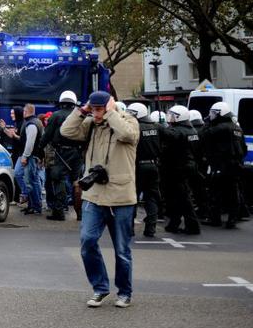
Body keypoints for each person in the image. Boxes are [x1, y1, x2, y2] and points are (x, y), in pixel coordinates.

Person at [61, 91, 139, 308]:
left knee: (122, 250)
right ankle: (100, 288)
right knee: (87, 241)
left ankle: (124, 292)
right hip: (94, 195)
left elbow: (127, 135)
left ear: (110, 106)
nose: (95, 113)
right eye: (92, 108)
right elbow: (66, 130)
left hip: (121, 197)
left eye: (98, 108)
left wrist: (111, 112)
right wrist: (82, 110)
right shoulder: (91, 125)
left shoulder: (128, 121)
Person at [200, 102, 246, 229]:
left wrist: (207, 123)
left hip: (221, 165)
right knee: (233, 192)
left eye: (214, 113)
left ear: (221, 114)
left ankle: (215, 219)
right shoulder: (237, 128)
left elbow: (203, 136)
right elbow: (244, 148)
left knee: (215, 192)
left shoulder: (220, 128)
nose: (211, 115)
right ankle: (232, 219)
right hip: (235, 165)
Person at [40, 91, 84, 221]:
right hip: (78, 153)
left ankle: (59, 212)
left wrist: (39, 149)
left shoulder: (56, 116)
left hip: (61, 152)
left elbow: (47, 135)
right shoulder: (80, 115)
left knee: (58, 179)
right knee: (77, 182)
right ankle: (80, 214)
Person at [159, 105, 202, 235]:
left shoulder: (178, 131)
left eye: (171, 115)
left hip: (178, 168)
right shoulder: (192, 130)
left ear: (178, 117)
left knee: (183, 198)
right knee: (177, 197)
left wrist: (156, 126)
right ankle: (174, 223)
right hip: (188, 166)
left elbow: (167, 137)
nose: (169, 118)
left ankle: (193, 226)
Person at [126, 103, 162, 237]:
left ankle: (129, 229)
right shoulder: (157, 127)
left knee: (132, 198)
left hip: (137, 167)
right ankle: (150, 229)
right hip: (153, 166)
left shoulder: (135, 128)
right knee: (151, 197)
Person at [17, 104, 44, 215]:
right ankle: (34, 205)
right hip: (33, 156)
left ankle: (35, 206)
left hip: (30, 157)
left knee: (31, 182)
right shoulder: (36, 122)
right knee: (33, 180)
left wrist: (25, 156)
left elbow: (30, 143)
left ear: (25, 111)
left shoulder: (31, 124)